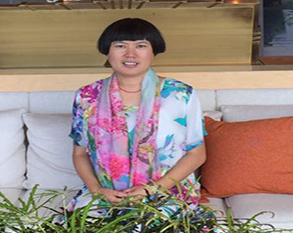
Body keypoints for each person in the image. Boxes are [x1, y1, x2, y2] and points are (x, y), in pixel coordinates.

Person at [69, 18, 206, 211]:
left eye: (141, 46)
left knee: (151, 228)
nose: (130, 54)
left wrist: (151, 190)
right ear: (107, 51)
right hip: (106, 195)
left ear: (153, 51)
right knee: (85, 228)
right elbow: (80, 153)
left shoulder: (181, 95)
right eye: (120, 46)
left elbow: (197, 154)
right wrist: (96, 190)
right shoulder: (87, 96)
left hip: (166, 194)